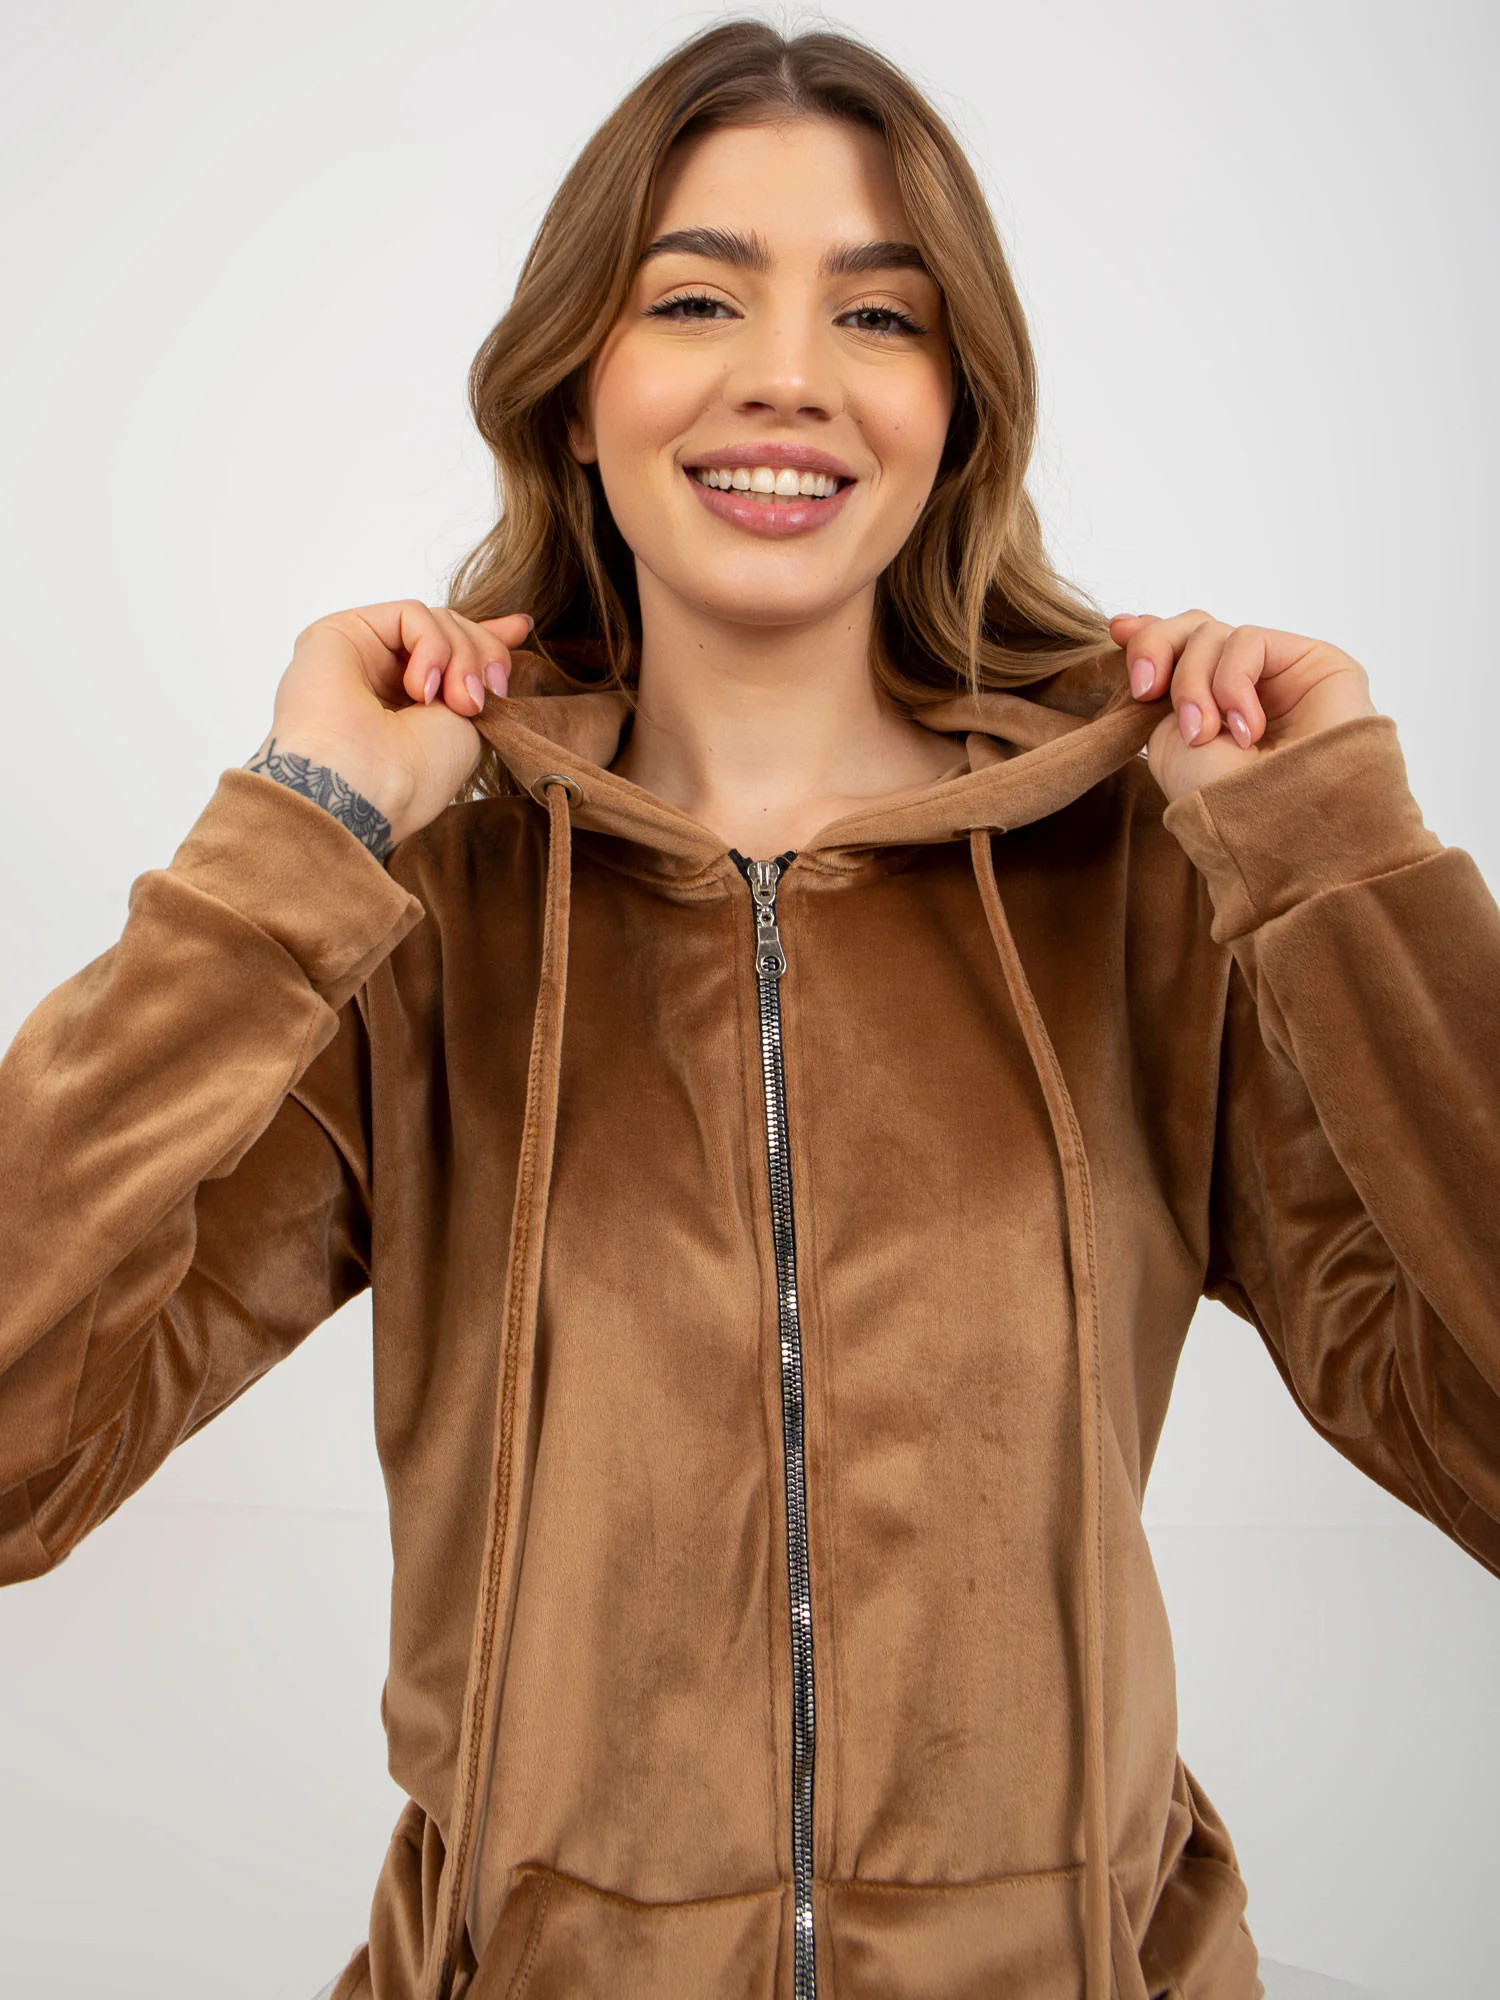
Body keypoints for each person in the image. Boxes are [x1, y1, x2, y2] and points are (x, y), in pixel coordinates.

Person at [1, 19, 1495, 2000]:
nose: (789, 371)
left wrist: (1342, 867)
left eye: (878, 313)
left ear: (955, 407)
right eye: (697, 296)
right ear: (576, 390)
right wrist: (299, 839)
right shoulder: (426, 912)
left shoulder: (1141, 888)